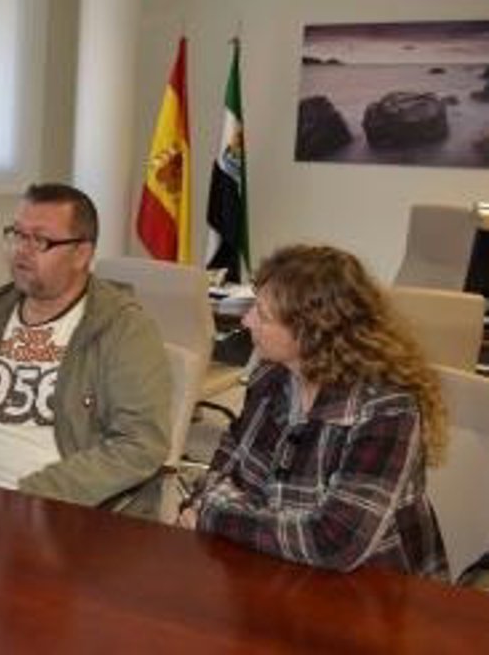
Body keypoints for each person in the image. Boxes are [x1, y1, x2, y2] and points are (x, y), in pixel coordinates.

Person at [178, 244, 448, 578]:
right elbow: (224, 470)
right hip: (278, 566)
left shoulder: (387, 408)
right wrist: (208, 502)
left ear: (310, 332)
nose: (246, 321)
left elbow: (334, 542)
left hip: (378, 589)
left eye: (262, 314)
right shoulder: (270, 378)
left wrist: (212, 515)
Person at [0, 183, 170, 510]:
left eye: (40, 240)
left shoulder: (124, 328)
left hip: (49, 505)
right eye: (18, 235)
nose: (22, 250)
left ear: (82, 254)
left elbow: (141, 443)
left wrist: (33, 495)